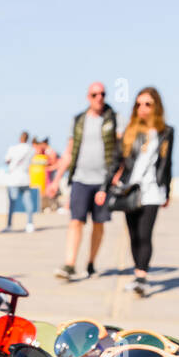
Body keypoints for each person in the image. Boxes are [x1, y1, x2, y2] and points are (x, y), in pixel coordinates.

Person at [97, 86, 173, 297]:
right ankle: (137, 273)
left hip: (153, 191)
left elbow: (168, 164)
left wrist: (168, 191)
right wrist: (104, 188)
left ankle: (141, 276)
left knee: (145, 234)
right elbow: (115, 162)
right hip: (129, 190)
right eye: (139, 104)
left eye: (147, 104)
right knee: (132, 235)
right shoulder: (130, 131)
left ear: (156, 106)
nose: (143, 108)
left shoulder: (166, 132)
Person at [51, 82, 118, 279]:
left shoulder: (113, 119)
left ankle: (91, 263)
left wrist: (117, 175)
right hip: (80, 179)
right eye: (95, 94)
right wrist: (56, 180)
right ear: (88, 97)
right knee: (75, 221)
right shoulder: (79, 120)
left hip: (103, 182)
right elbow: (69, 152)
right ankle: (70, 264)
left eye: (102, 94)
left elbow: (122, 149)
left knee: (99, 223)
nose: (99, 98)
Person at [2, 131, 34, 232]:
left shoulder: (13, 148)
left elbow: (7, 160)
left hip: (13, 178)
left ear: (20, 138)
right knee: (28, 202)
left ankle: (9, 225)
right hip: (25, 178)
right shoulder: (31, 149)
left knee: (12, 203)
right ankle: (30, 224)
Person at [27, 139, 50, 224]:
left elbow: (50, 164)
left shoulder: (45, 155)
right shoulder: (31, 155)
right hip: (33, 177)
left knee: (43, 193)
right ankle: (37, 208)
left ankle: (43, 207)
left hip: (42, 177)